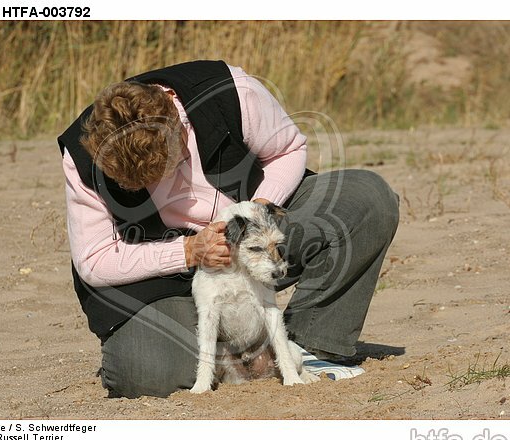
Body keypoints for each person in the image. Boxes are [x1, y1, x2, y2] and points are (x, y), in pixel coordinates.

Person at [57, 60, 399, 398]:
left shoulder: (234, 91)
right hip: (164, 273)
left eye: (166, 167)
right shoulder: (84, 156)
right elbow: (94, 260)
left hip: (257, 226)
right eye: (140, 184)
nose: (161, 184)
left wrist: (261, 210)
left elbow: (289, 149)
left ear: (181, 128)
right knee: (147, 373)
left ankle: (310, 345)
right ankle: (220, 347)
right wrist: (189, 251)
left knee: (367, 198)